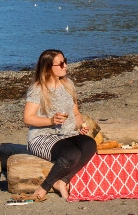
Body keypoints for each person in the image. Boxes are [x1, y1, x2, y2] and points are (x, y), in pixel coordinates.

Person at [19, 49, 97, 201]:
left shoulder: (68, 84)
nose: (65, 66)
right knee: (71, 153)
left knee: (89, 144)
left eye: (65, 61)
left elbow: (75, 113)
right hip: (42, 138)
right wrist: (50, 121)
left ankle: (63, 181)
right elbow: (27, 118)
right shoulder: (38, 88)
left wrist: (81, 124)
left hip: (67, 135)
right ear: (49, 67)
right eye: (61, 63)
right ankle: (44, 187)